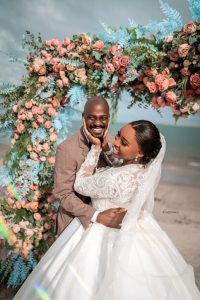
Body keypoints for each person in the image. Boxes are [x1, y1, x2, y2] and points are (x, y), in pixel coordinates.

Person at [14, 120, 200, 300]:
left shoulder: (116, 178)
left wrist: (95, 149)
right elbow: (119, 166)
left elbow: (80, 184)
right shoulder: (142, 170)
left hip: (99, 232)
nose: (115, 142)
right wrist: (109, 149)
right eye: (118, 134)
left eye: (124, 142)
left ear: (140, 153)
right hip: (138, 230)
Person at [54, 95, 126, 235]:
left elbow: (123, 174)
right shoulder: (66, 148)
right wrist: (97, 216)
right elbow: (63, 194)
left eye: (102, 118)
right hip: (76, 222)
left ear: (108, 118)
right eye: (91, 117)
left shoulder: (113, 143)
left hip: (109, 223)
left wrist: (105, 148)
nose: (97, 123)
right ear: (83, 117)